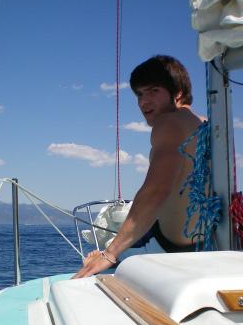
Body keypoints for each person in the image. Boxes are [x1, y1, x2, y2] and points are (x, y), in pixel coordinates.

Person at [73, 55, 202, 279]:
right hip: (207, 244)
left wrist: (109, 255)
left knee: (99, 258)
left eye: (153, 91)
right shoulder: (205, 123)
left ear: (177, 92)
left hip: (169, 249)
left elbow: (156, 191)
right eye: (140, 94)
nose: (144, 102)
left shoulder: (169, 122)